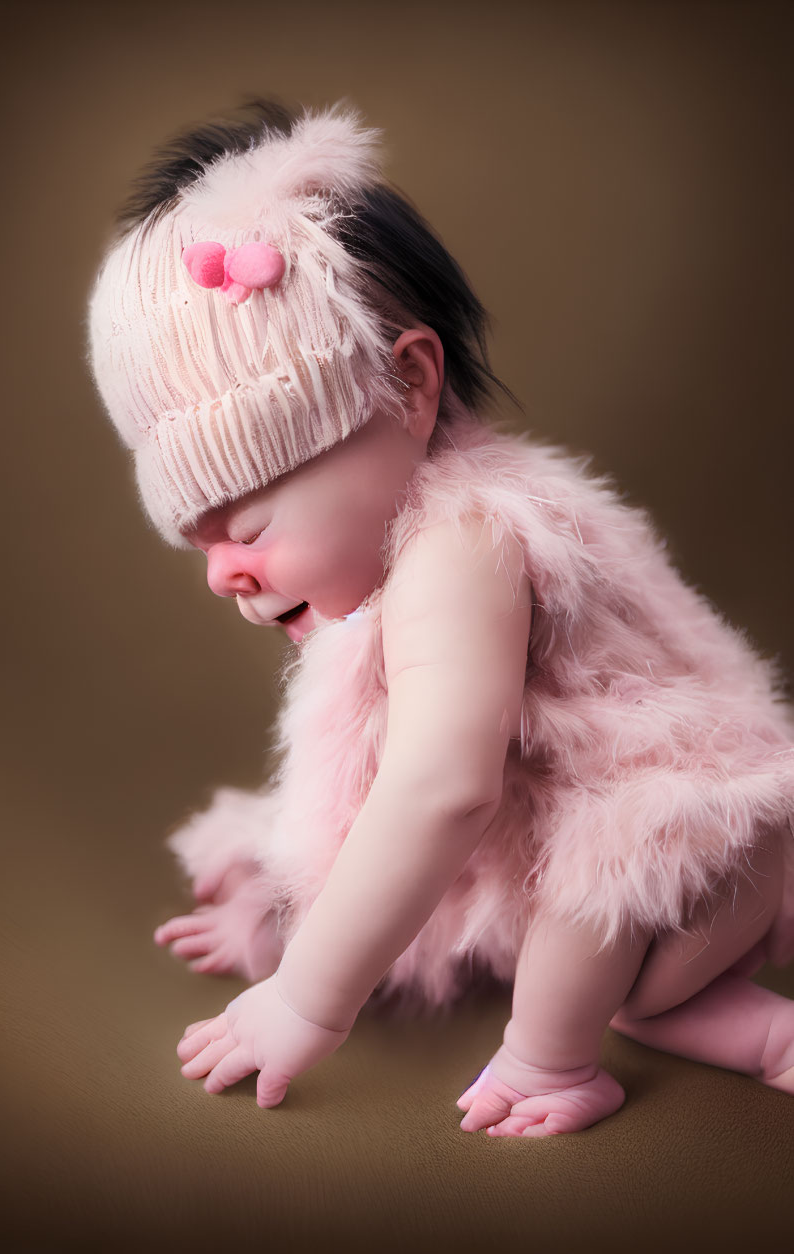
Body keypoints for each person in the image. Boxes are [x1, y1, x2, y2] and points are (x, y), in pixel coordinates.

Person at [88, 100, 794, 1136]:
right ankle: (769, 1037)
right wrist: (280, 905)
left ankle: (551, 1070)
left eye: (247, 522)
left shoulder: (462, 544)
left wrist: (306, 996)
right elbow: (359, 774)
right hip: (676, 860)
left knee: (586, 924)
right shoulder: (398, 546)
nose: (221, 574)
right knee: (643, 997)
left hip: (702, 824)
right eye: (201, 543)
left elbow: (439, 790)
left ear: (409, 385)